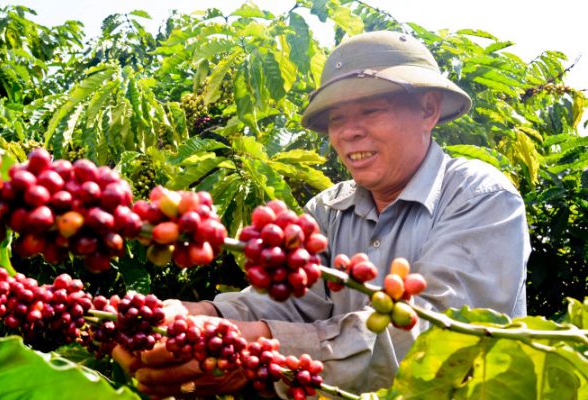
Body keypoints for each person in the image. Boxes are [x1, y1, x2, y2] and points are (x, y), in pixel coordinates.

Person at [113, 30, 530, 398]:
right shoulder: (327, 211)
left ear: (428, 109)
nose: (348, 132)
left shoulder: (480, 197)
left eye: (370, 111)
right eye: (336, 119)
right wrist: (204, 315)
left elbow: (437, 335)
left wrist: (259, 345)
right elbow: (290, 305)